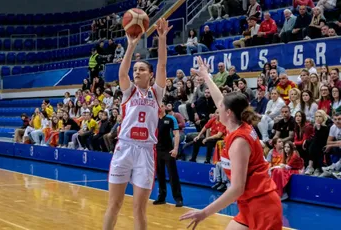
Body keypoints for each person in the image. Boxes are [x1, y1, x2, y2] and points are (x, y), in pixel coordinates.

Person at [180, 56, 282, 230]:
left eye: (219, 108)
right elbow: (220, 99)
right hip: (248, 205)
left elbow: (237, 189)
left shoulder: (239, 142)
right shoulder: (236, 124)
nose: (216, 108)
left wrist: (204, 213)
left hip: (262, 206)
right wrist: (206, 76)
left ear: (228, 113)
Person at [103, 18, 172, 230]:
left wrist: (161, 39)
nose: (137, 72)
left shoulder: (156, 92)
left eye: (142, 69)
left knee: (139, 208)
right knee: (114, 203)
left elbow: (162, 64)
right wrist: (131, 46)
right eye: (136, 69)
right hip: (124, 147)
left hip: (145, 151)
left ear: (150, 75)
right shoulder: (129, 91)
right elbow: (122, 73)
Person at [153, 104, 183, 207]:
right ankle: (161, 197)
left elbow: (176, 134)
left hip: (168, 151)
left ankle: (178, 198)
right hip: (157, 151)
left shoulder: (171, 119)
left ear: (164, 107)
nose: (159, 108)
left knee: (172, 175)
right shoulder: (154, 119)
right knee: (160, 175)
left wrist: (175, 149)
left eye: (161, 106)